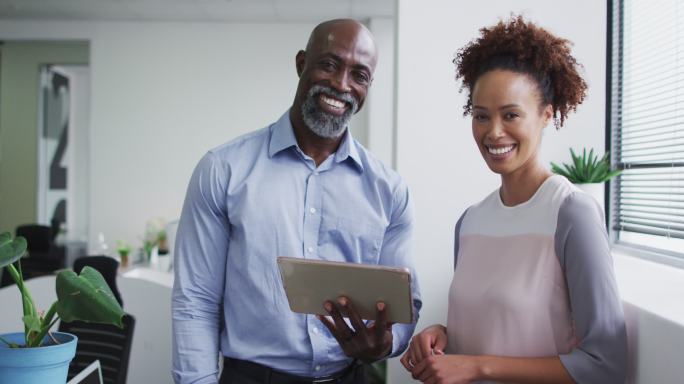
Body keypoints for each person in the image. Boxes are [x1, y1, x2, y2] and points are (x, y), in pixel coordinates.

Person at [172, 19, 421, 384]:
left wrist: (386, 344)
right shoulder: (223, 169)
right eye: (330, 65)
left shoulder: (390, 190)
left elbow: (404, 306)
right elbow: (195, 301)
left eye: (359, 75)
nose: (341, 85)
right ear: (302, 63)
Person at [401, 16, 626, 384]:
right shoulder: (470, 221)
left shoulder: (571, 214)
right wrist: (443, 336)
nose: (493, 132)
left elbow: (605, 364)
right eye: (481, 116)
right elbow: (497, 327)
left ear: (546, 115)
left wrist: (477, 365)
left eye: (511, 115)